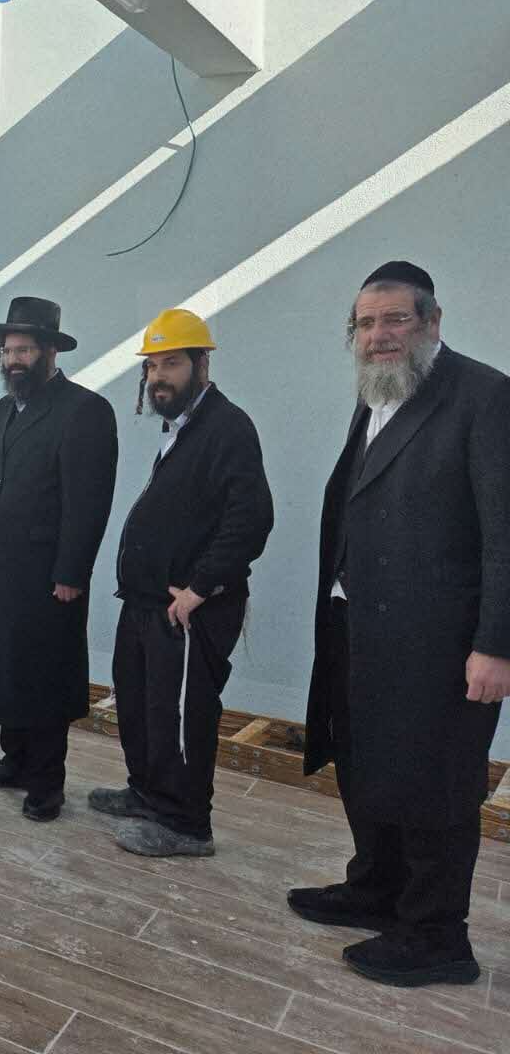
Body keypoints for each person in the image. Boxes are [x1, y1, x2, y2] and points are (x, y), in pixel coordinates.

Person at [292, 262, 510, 988]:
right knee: (367, 761)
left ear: (432, 322)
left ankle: (437, 935)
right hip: (362, 624)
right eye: (366, 323)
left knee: (434, 784)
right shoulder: (380, 391)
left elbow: (505, 532)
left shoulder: (484, 396)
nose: (378, 335)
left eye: (395, 319)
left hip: (440, 641)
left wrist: (496, 644)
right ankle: (378, 887)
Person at [90, 310, 273, 856]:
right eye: (152, 367)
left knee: (181, 716)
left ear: (201, 363)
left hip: (187, 608)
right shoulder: (183, 429)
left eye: (171, 363)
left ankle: (187, 824)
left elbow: (251, 519)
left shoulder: (228, 427)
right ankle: (148, 793)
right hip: (147, 603)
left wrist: (200, 588)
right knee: (141, 706)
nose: (158, 377)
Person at [0, 297, 117, 822]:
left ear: (51, 352)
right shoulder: (7, 408)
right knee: (8, 668)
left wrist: (72, 571)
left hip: (47, 574)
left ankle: (47, 783)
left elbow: (88, 502)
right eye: (8, 351)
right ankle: (16, 760)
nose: (14, 361)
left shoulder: (85, 410)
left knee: (44, 676)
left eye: (24, 350)